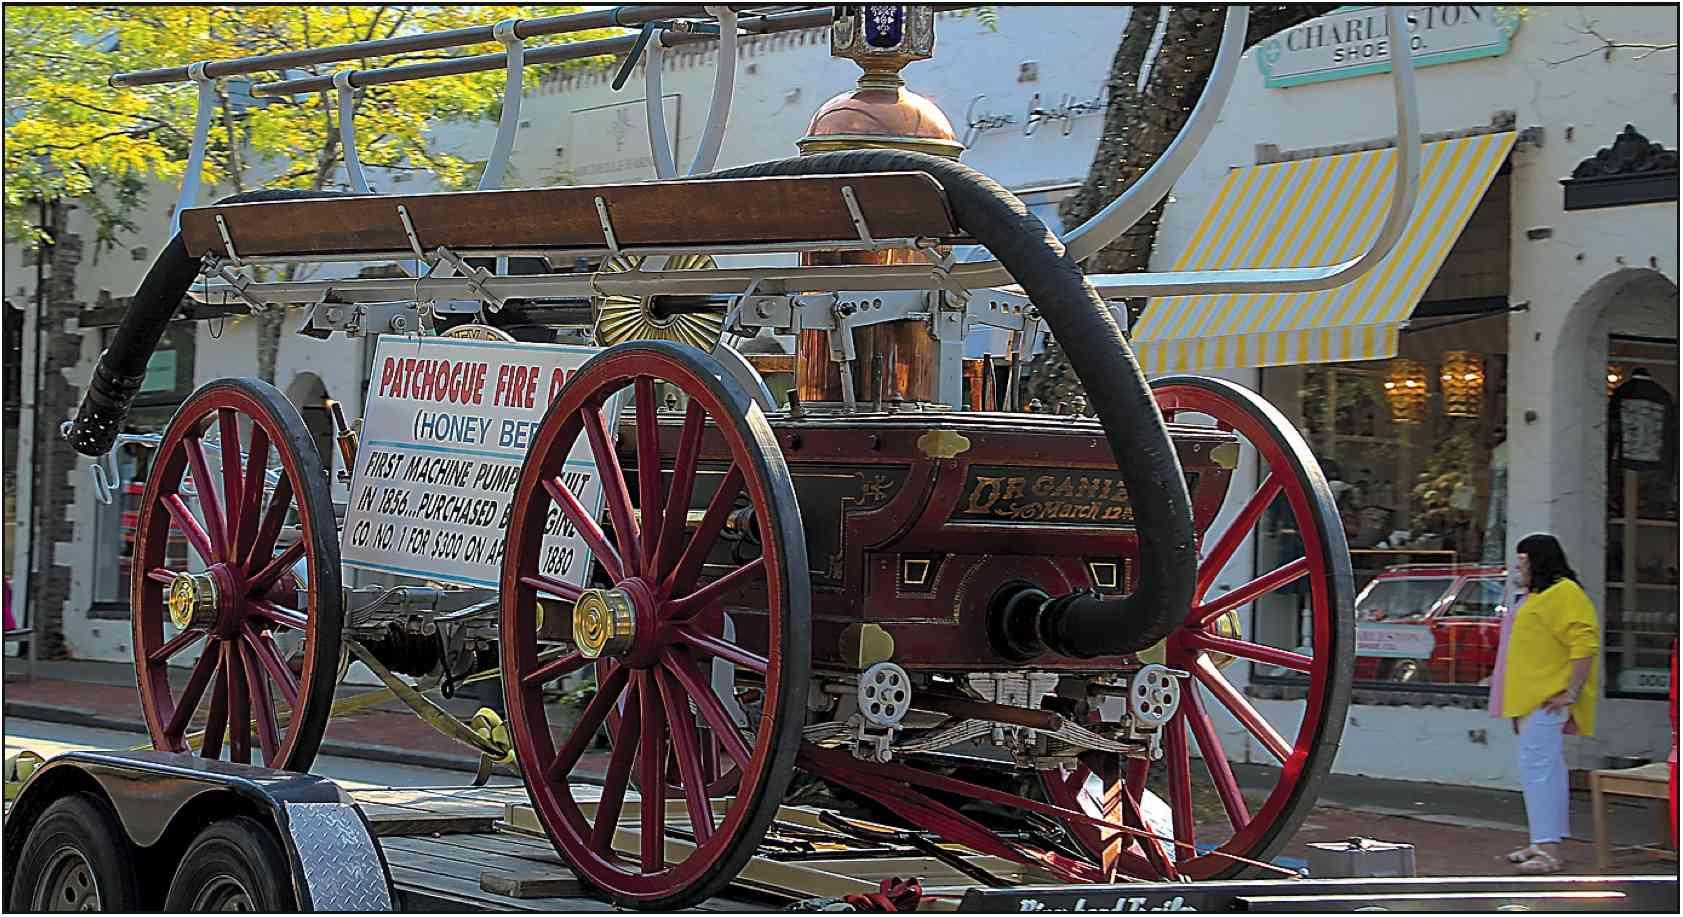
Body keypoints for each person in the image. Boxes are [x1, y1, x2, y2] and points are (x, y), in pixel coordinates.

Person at [1488, 533, 1599, 873]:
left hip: (1547, 697)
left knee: (1540, 770)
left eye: (1523, 561)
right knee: (1541, 769)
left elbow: (1585, 643)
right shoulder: (1535, 595)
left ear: (1539, 561)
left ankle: (1549, 848)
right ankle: (1542, 841)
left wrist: (1571, 691)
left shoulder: (1564, 593)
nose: (1518, 568)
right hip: (1530, 698)